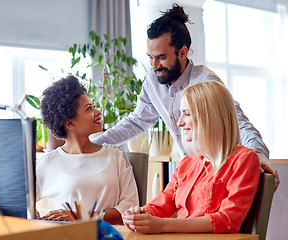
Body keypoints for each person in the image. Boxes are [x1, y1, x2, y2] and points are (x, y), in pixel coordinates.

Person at [93, 3, 279, 187]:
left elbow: (241, 125)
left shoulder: (205, 81)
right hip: (190, 172)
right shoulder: (152, 79)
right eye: (150, 57)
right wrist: (93, 144)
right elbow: (136, 121)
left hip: (220, 175)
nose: (154, 66)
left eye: (161, 57)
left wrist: (259, 157)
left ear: (182, 53)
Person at [122, 80, 260, 233]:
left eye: (187, 114)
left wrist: (162, 225)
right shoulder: (187, 163)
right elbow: (162, 205)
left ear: (210, 117)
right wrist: (139, 215)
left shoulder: (244, 159)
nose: (180, 122)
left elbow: (228, 219)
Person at [35, 75, 139, 224]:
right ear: (70, 123)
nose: (98, 112)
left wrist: (85, 216)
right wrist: (31, 212)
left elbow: (130, 206)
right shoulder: (48, 164)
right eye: (89, 109)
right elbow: (18, 201)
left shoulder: (115, 155)